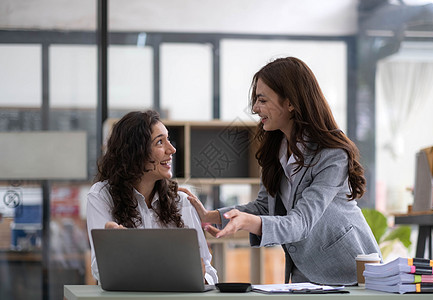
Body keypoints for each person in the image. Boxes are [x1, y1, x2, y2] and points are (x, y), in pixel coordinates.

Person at [180, 57, 381, 286]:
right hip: (306, 275)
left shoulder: (332, 155)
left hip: (351, 272)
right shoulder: (276, 150)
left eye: (262, 100)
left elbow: (301, 222)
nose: (255, 109)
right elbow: (264, 207)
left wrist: (247, 222)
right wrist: (212, 216)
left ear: (290, 103)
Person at [86, 110, 218, 284]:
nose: (172, 149)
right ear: (135, 151)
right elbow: (100, 272)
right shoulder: (101, 195)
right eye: (160, 142)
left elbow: (208, 271)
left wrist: (202, 279)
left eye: (168, 140)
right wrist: (114, 249)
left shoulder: (182, 201)